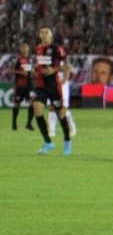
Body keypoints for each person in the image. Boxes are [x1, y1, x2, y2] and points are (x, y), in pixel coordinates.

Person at [31, 26, 72, 155]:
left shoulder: (57, 49)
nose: (43, 34)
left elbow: (68, 66)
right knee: (37, 110)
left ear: (51, 35)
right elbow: (38, 65)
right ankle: (48, 142)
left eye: (46, 32)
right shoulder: (37, 49)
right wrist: (35, 70)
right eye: (41, 32)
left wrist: (53, 70)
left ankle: (67, 141)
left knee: (60, 114)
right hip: (40, 85)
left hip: (54, 86)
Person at [11, 42, 35, 131]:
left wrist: (33, 72)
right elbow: (10, 69)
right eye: (23, 47)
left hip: (30, 86)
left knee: (33, 103)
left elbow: (31, 70)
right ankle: (14, 123)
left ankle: (28, 124)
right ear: (20, 48)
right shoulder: (16, 58)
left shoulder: (30, 59)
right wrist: (21, 72)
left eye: (27, 47)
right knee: (17, 104)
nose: (25, 49)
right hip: (20, 85)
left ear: (28, 48)